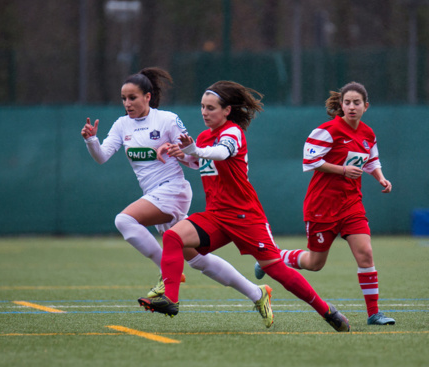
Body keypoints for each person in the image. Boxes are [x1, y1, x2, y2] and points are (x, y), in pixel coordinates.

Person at [138, 80, 350, 332]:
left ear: (227, 110)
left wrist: (195, 149)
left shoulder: (232, 132)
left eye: (211, 108)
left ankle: (327, 311)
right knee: (173, 237)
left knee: (278, 271)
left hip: (244, 217)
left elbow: (221, 154)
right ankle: (170, 299)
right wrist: (182, 154)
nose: (205, 112)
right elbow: (202, 163)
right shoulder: (206, 136)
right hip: (216, 215)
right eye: (202, 107)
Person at [81, 68, 275, 327]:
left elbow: (194, 159)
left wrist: (182, 152)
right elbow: (102, 156)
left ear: (147, 97)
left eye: (133, 98)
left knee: (124, 221)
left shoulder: (167, 120)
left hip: (173, 190)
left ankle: (167, 274)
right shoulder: (121, 125)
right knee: (197, 260)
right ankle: (257, 293)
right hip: (153, 194)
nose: (127, 104)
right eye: (124, 99)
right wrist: (92, 141)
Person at [254, 82, 395, 325]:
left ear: (366, 106)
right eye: (347, 102)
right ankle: (273, 258)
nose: (352, 107)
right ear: (341, 105)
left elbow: (371, 160)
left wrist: (381, 177)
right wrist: (342, 170)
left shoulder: (368, 134)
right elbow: (310, 160)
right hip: (322, 206)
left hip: (351, 204)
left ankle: (374, 313)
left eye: (357, 103)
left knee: (366, 253)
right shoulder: (328, 130)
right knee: (315, 263)